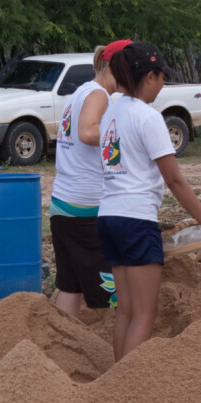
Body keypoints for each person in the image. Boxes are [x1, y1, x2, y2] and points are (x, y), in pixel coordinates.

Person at [98, 41, 201, 361]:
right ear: (148, 76)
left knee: (125, 311)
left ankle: (115, 386)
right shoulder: (149, 118)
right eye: (161, 78)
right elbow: (175, 180)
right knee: (145, 313)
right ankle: (131, 386)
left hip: (108, 219)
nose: (163, 85)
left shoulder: (111, 112)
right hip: (136, 220)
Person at [50, 40, 125, 318]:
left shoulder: (80, 92)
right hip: (86, 208)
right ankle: (118, 352)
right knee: (113, 290)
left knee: (70, 287)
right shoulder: (98, 95)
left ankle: (60, 343)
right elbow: (87, 132)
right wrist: (127, 142)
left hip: (64, 203)